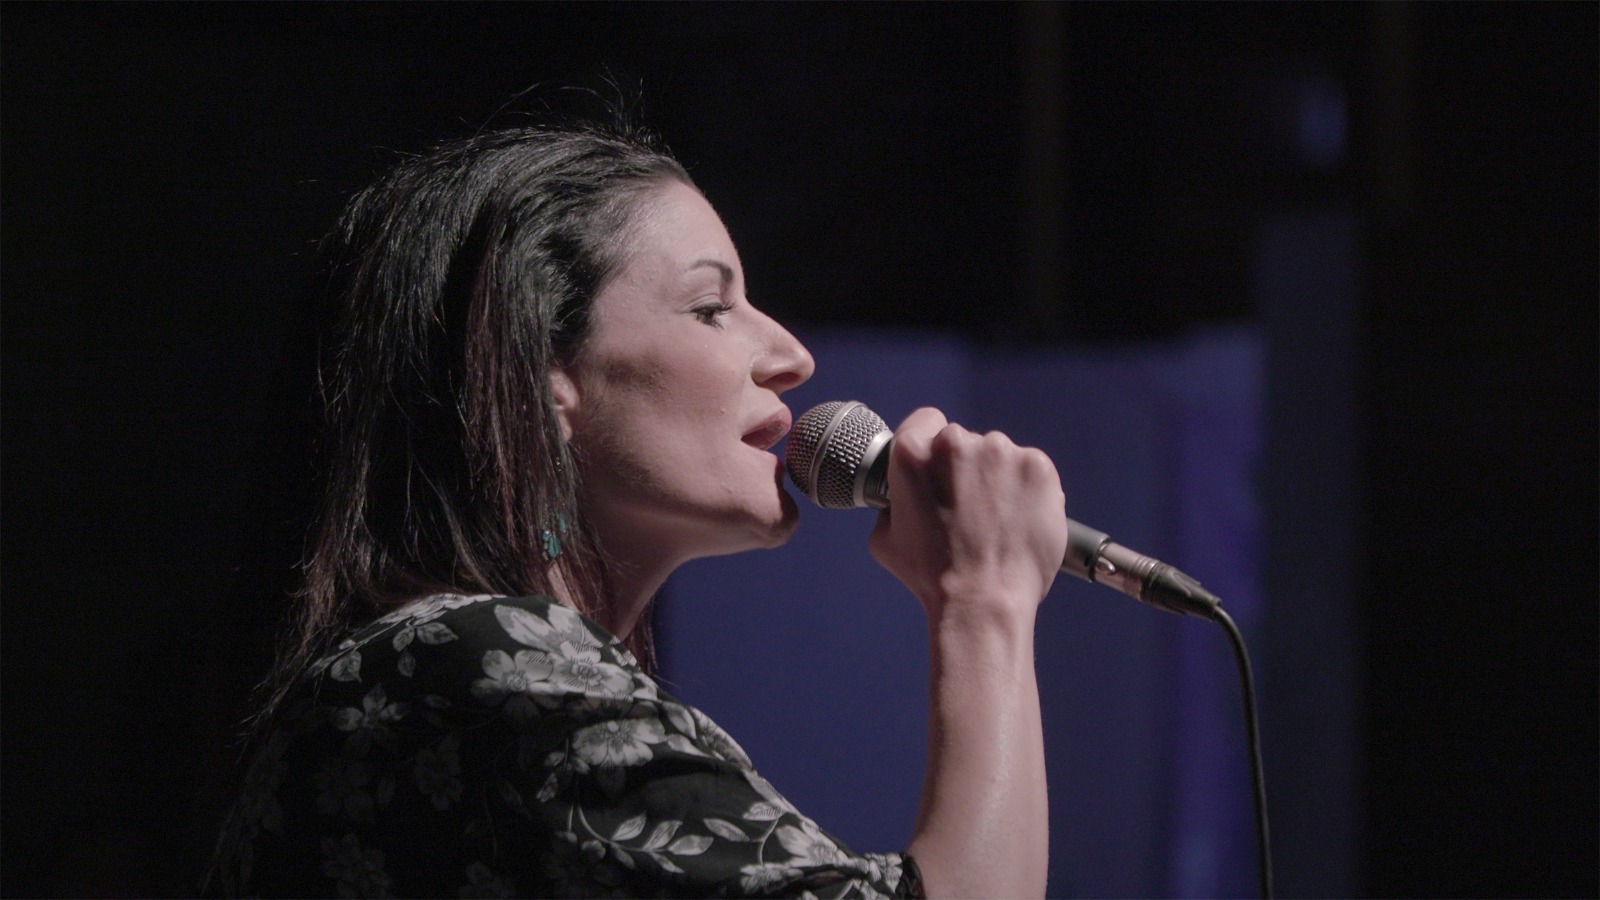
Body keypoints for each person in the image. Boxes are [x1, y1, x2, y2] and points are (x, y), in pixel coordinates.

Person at [212, 119, 1067, 899]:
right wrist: (985, 596)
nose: (791, 356)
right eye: (711, 309)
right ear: (544, 379)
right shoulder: (475, 670)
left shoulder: (471, 672)